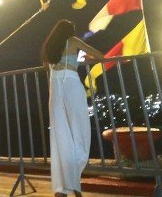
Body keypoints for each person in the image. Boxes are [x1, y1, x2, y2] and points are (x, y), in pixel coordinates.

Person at [41, 19, 104, 197]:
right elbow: (100, 56)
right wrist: (82, 58)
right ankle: (74, 183)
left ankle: (62, 188)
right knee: (80, 132)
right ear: (70, 31)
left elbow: (46, 66)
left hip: (55, 89)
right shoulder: (73, 41)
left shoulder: (49, 46)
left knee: (60, 135)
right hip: (71, 84)